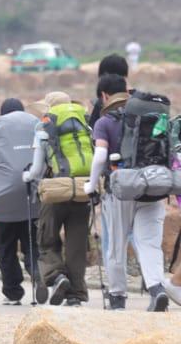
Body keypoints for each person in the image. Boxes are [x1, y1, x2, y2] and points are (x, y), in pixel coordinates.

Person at [88, 74, 173, 311]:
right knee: (149, 244)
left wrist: (90, 185)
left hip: (121, 191)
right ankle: (156, 289)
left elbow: (100, 157)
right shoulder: (151, 116)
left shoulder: (105, 122)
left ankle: (117, 296)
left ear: (104, 95)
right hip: (153, 187)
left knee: (116, 245)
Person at [19, 92, 92, 307]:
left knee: (47, 240)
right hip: (82, 190)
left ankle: (57, 276)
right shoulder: (85, 126)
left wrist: (26, 176)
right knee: (77, 245)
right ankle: (76, 295)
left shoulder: (44, 128)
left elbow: (37, 169)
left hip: (55, 191)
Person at [0, 97, 41, 305]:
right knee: (31, 244)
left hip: (4, 200)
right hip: (31, 195)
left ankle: (13, 292)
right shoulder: (34, 133)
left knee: (6, 248)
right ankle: (37, 274)